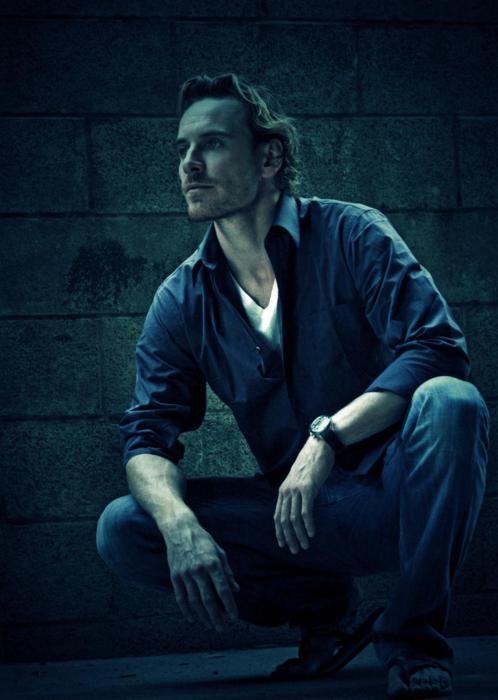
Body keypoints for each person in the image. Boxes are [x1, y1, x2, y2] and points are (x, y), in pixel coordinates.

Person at [96, 73, 489, 698]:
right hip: (298, 518)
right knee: (126, 526)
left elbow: (439, 348)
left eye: (212, 143)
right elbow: (147, 434)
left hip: (398, 494)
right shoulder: (182, 297)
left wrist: (327, 437)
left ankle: (413, 641)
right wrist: (179, 525)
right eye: (182, 149)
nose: (190, 164)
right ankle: (326, 611)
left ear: (270, 158)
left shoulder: (354, 234)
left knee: (451, 400)